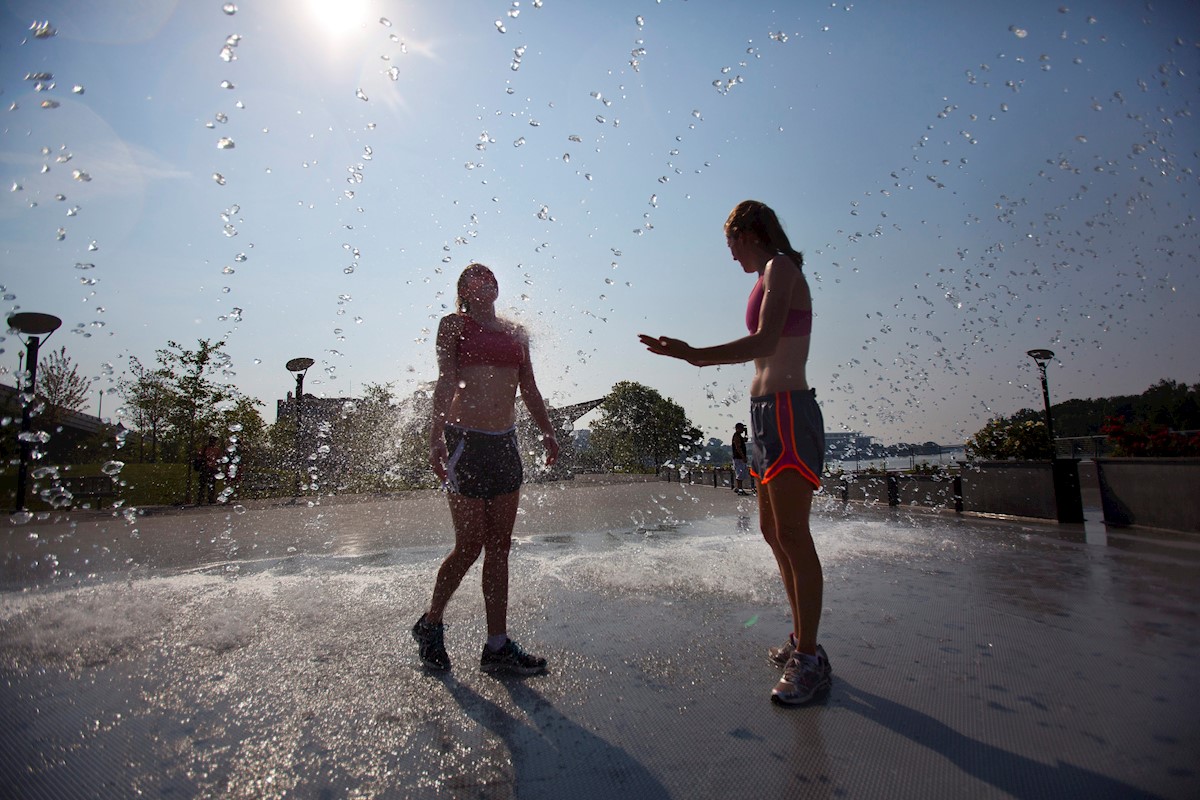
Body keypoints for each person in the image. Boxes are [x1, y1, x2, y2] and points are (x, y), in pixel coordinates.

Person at [639, 200, 831, 706]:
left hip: (789, 411)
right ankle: (800, 639)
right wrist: (691, 356)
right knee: (773, 532)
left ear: (748, 233)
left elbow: (764, 339)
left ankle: (810, 657)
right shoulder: (765, 274)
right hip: (766, 412)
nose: (730, 256)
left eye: (730, 244)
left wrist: (694, 355)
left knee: (793, 532)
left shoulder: (782, 267)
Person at [413, 262, 560, 675]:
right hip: (466, 443)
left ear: (497, 286)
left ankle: (496, 645)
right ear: (463, 290)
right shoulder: (453, 326)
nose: (483, 282)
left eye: (489, 276)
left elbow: (528, 386)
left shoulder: (516, 332)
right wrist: (435, 435)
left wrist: (547, 433)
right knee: (470, 545)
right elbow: (446, 380)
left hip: (505, 444)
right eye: (473, 278)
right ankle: (430, 623)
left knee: (500, 546)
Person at [731, 422, 752, 495]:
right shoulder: (736, 436)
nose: (743, 429)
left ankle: (738, 488)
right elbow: (738, 447)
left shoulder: (739, 436)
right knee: (740, 473)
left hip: (739, 458)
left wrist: (746, 432)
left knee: (741, 473)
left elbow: (745, 440)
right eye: (742, 428)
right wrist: (743, 457)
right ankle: (740, 489)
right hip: (738, 458)